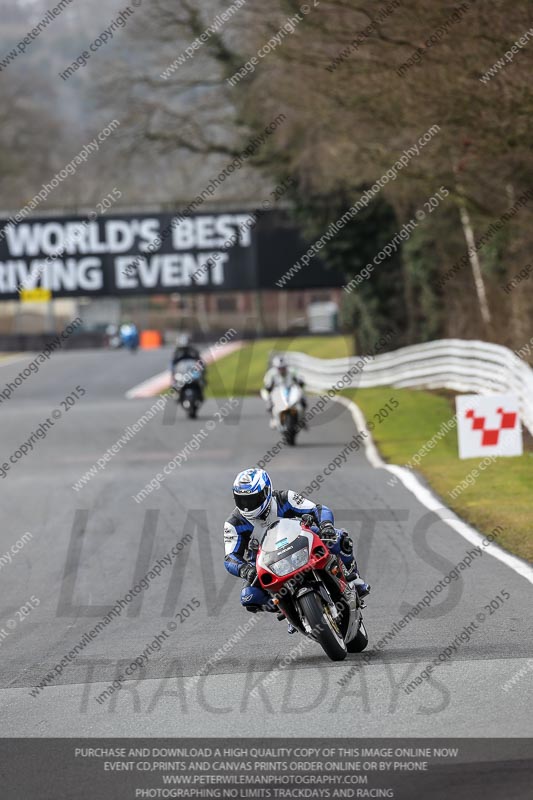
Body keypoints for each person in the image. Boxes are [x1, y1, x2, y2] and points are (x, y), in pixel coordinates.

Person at [223, 468, 370, 633]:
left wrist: (326, 526)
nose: (247, 506)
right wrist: (244, 569)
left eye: (251, 500)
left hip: (299, 538)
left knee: (339, 539)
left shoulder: (284, 498)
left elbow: (318, 509)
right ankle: (289, 610)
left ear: (265, 492)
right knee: (249, 597)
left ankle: (354, 579)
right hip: (264, 560)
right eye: (242, 500)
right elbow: (230, 557)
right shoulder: (234, 523)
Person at [260, 355, 307, 427]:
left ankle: (302, 419)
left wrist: (300, 382)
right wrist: (269, 389)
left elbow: (300, 381)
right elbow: (267, 386)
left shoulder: (292, 372)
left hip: (291, 391)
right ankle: (273, 419)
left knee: (303, 401)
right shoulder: (271, 374)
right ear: (276, 368)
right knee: (269, 404)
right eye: (280, 368)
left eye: (283, 368)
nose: (282, 370)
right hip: (277, 392)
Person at [170, 334, 206, 400]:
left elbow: (200, 361)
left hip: (192, 371)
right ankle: (176, 392)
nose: (184, 349)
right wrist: (173, 374)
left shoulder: (193, 351)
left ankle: (200, 392)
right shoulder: (176, 352)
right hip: (181, 371)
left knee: (202, 379)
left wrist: (201, 369)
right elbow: (173, 364)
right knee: (174, 380)